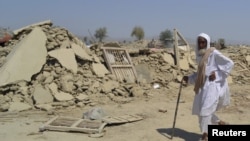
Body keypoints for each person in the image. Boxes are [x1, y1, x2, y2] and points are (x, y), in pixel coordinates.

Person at [182, 33, 234, 141]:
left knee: (205, 111)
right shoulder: (199, 55)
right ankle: (218, 123)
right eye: (199, 42)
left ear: (207, 42)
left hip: (213, 87)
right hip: (202, 87)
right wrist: (189, 78)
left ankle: (205, 134)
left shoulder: (213, 53)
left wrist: (218, 74)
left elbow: (229, 64)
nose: (201, 44)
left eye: (203, 42)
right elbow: (200, 74)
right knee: (201, 110)